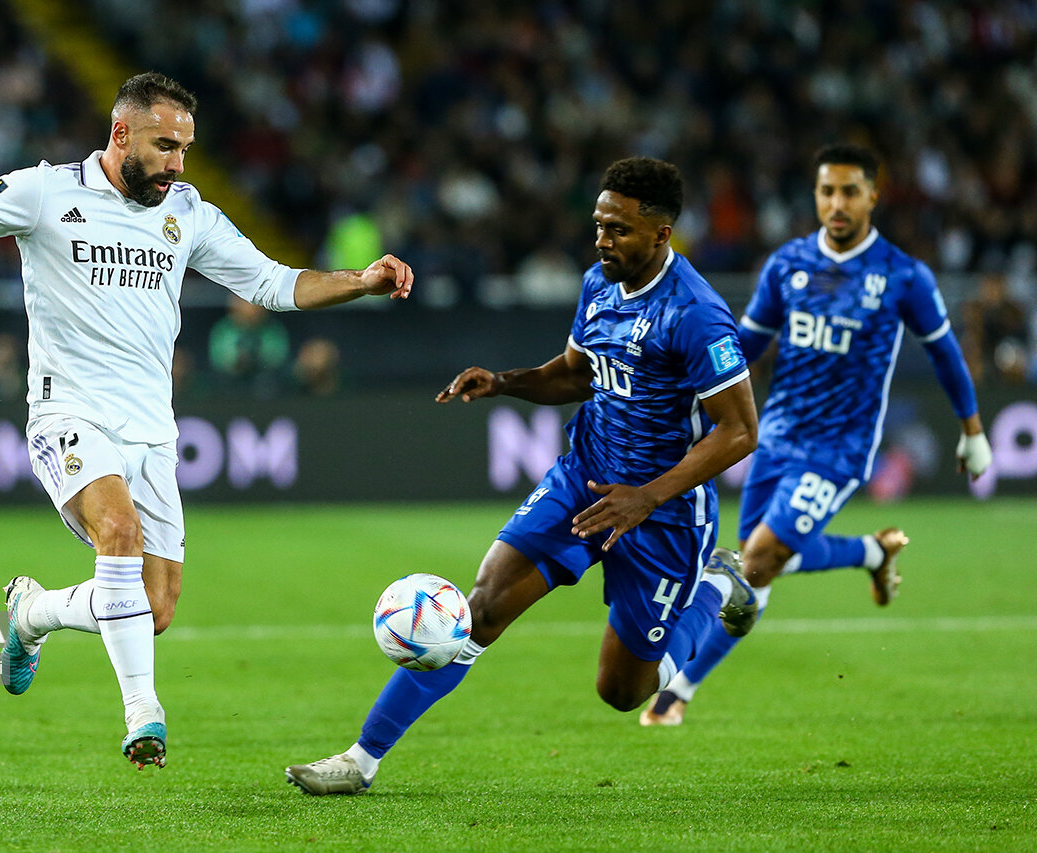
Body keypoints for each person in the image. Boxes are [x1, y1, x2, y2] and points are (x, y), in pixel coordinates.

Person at [0, 71, 414, 769]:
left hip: (151, 428)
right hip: (67, 410)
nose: (176, 164)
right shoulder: (46, 191)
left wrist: (360, 280)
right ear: (121, 134)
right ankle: (145, 713)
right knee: (118, 531)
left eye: (185, 149)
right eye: (164, 145)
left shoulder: (189, 213)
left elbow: (270, 282)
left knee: (154, 607)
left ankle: (32, 613)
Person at [285, 157, 760, 795]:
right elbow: (576, 372)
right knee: (477, 609)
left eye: (618, 229)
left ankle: (717, 589)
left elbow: (738, 431)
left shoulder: (697, 314)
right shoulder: (598, 284)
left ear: (661, 234)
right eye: (598, 225)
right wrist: (504, 382)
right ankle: (360, 760)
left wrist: (645, 498)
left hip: (661, 511)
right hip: (583, 478)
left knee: (622, 691)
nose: (602, 240)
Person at [641, 144, 992, 727]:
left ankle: (675, 689)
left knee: (755, 561)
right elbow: (747, 347)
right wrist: (689, 400)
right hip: (775, 436)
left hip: (839, 450)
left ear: (873, 196)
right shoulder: (788, 265)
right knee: (757, 571)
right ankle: (873, 552)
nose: (837, 203)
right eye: (827, 191)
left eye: (850, 191)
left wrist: (972, 430)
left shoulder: (903, 276)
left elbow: (946, 354)